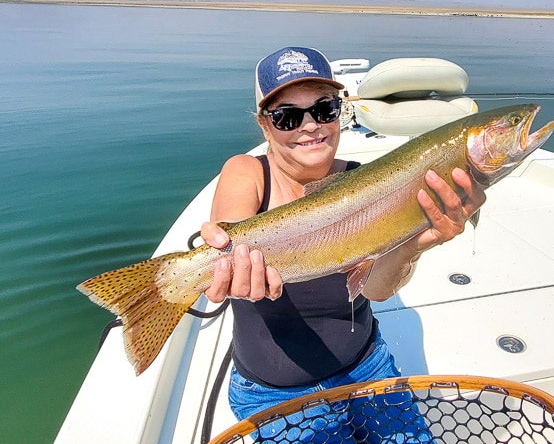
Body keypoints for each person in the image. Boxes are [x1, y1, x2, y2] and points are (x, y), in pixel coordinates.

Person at [198, 47, 486, 425]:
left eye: (324, 110)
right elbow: (229, 228)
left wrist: (416, 244)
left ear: (339, 114)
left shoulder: (367, 182)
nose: (311, 125)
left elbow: (376, 290)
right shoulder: (246, 172)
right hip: (272, 393)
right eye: (287, 117)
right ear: (263, 125)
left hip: (367, 368)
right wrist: (226, 262)